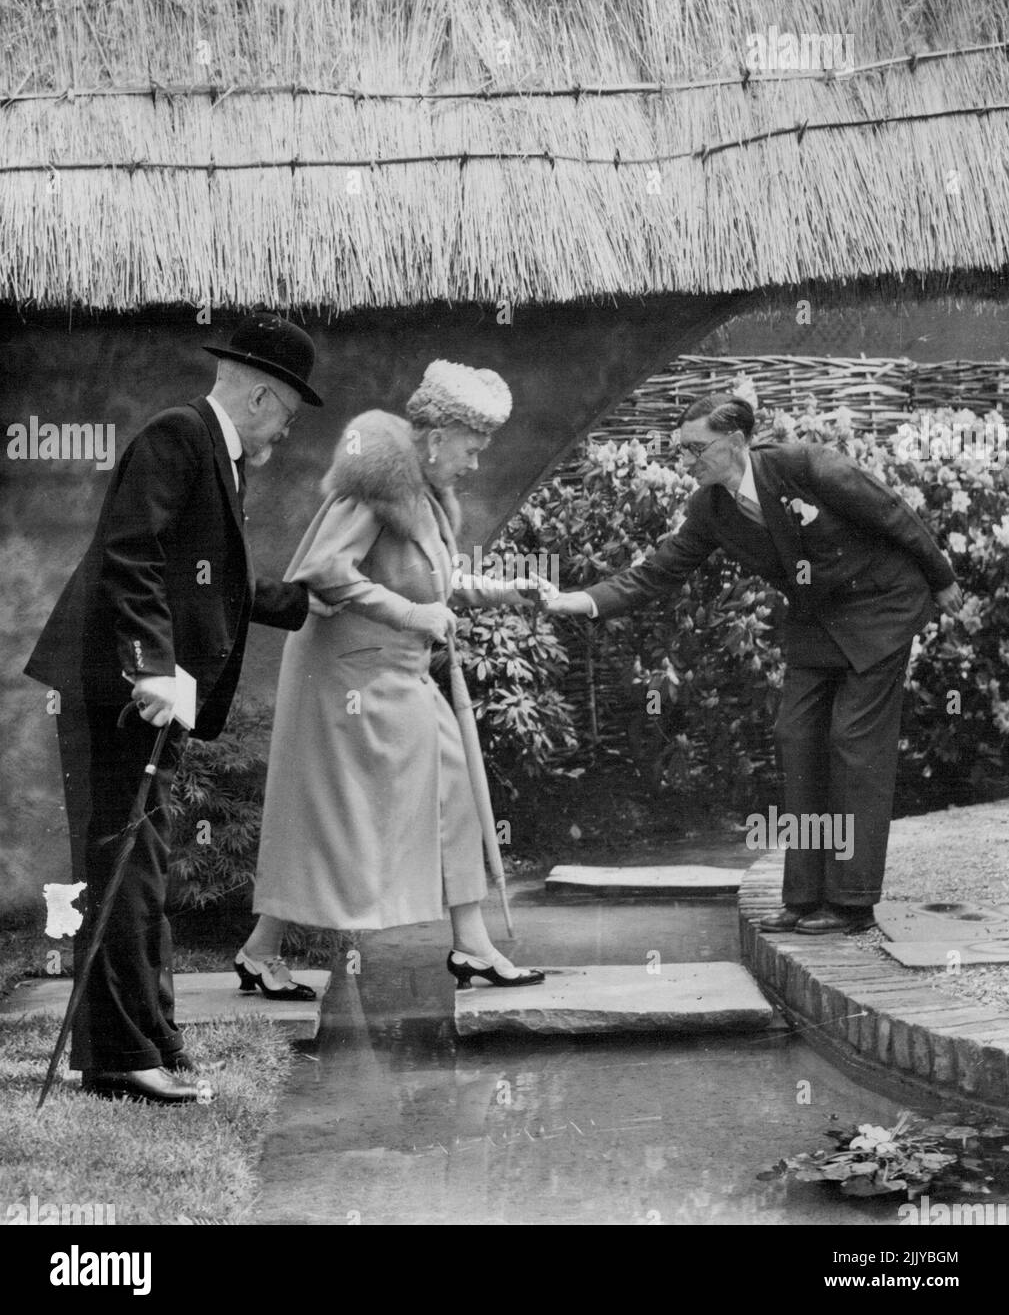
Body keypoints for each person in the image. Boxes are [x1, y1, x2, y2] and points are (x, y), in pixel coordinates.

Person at [25, 312, 330, 1104]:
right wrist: (150, 670)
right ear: (263, 397)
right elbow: (131, 557)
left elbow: (206, 574)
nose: (288, 435)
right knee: (121, 865)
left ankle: (152, 1036)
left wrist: (302, 602)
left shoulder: (214, 452)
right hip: (116, 691)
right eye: (290, 417)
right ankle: (119, 1058)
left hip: (146, 694)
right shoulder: (178, 434)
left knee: (144, 861)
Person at [545, 390, 963, 935]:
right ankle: (806, 896)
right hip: (817, 620)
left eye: (696, 449)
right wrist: (576, 600)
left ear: (735, 440)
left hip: (881, 605)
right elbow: (656, 573)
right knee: (797, 736)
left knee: (854, 742)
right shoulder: (711, 509)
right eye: (681, 450)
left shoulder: (804, 465)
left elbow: (892, 514)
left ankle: (853, 903)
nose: (685, 461)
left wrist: (943, 578)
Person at [237, 361, 547, 994]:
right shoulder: (373, 486)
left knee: (451, 794)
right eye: (472, 448)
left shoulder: (427, 496)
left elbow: (436, 580)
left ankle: (472, 945)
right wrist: (412, 615)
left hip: (394, 673)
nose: (476, 463)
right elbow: (326, 569)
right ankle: (262, 950)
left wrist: (507, 590)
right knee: (331, 819)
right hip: (347, 680)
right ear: (437, 438)